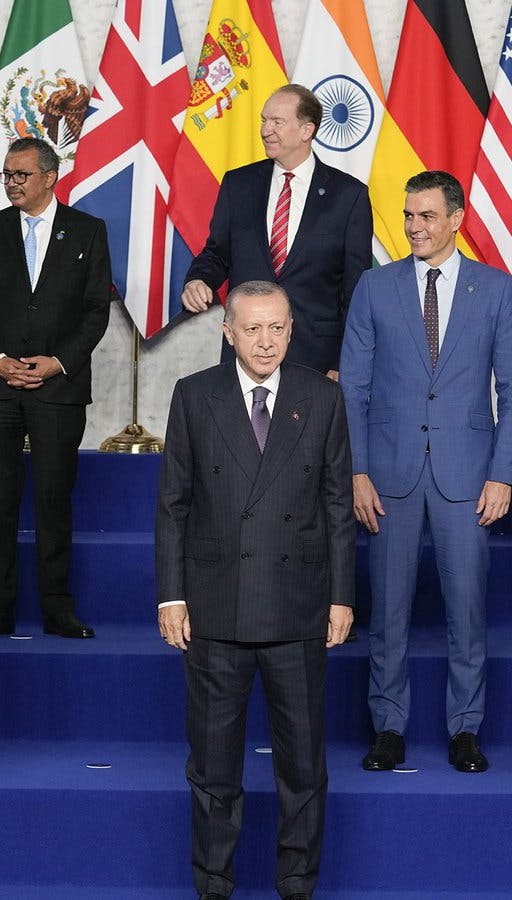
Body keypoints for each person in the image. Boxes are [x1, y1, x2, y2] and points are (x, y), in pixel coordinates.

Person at [156, 281, 354, 900]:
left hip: (299, 606)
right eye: (253, 329)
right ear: (228, 331)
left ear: (291, 330)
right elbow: (173, 506)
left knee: (303, 767)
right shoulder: (194, 395)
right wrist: (171, 596)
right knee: (214, 768)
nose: (266, 341)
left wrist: (342, 597)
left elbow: (338, 505)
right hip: (215, 609)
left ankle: (298, 884)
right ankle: (213, 884)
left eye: (278, 328)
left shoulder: (322, 397)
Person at [340, 170, 512, 774]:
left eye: (427, 216)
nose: (414, 226)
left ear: (457, 219)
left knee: (467, 609)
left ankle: (464, 730)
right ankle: (389, 726)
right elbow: (353, 389)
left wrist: (503, 473)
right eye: (408, 215)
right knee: (386, 612)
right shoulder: (373, 286)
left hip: (471, 477)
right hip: (388, 476)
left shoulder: (496, 289)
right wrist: (358, 473)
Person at [0, 136, 112, 639]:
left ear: (50, 177)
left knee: (53, 500)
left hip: (57, 389)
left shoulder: (89, 231)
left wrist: (57, 362)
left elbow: (96, 311)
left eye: (20, 175)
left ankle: (57, 610)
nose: (11, 184)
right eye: (5, 174)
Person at [181, 84, 372, 378]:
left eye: (277, 122)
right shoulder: (238, 184)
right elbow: (217, 253)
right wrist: (198, 279)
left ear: (306, 130)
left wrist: (342, 362)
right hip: (244, 353)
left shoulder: (348, 196)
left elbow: (356, 290)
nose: (266, 130)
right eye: (263, 120)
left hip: (316, 361)